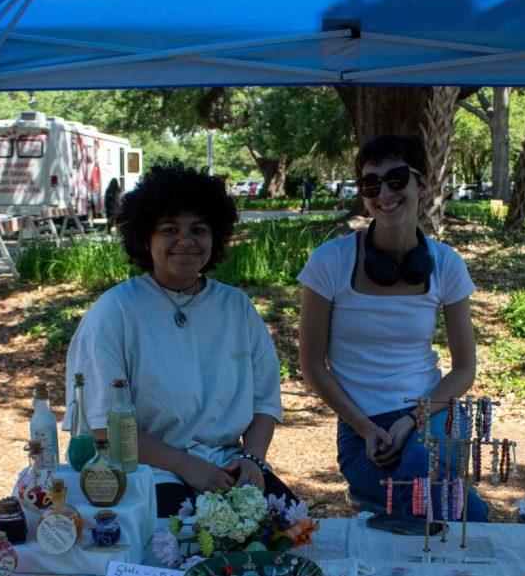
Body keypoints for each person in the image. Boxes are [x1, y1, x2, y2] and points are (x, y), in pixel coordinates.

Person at [63, 163, 296, 516]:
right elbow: (102, 428)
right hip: (146, 473)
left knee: (294, 536)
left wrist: (253, 460)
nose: (185, 241)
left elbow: (265, 401)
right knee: (182, 555)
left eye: (198, 229)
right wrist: (186, 465)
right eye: (170, 229)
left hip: (229, 466)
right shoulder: (116, 311)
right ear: (145, 238)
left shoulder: (236, 307)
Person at [297, 133, 489, 521]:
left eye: (397, 179)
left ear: (422, 183)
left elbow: (464, 369)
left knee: (418, 467)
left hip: (431, 414)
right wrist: (366, 428)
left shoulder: (446, 264)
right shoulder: (329, 262)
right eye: (371, 184)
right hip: (360, 429)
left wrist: (411, 419)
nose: (384, 193)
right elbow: (312, 366)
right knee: (452, 506)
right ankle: (473, 521)